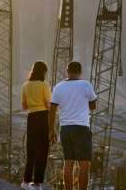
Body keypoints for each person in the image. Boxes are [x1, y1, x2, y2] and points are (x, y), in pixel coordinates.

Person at [49, 61, 97, 190]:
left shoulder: (58, 87)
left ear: (67, 71)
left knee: (68, 163)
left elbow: (52, 109)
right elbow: (93, 106)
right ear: (80, 72)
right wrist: (81, 104)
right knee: (84, 165)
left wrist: (51, 130)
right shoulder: (85, 85)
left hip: (65, 129)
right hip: (81, 128)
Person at [20, 61, 52, 190]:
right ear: (43, 72)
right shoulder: (44, 85)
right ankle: (37, 183)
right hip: (43, 117)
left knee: (31, 150)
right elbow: (48, 104)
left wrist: (33, 104)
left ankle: (26, 182)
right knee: (42, 151)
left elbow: (24, 106)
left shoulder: (25, 85)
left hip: (31, 118)